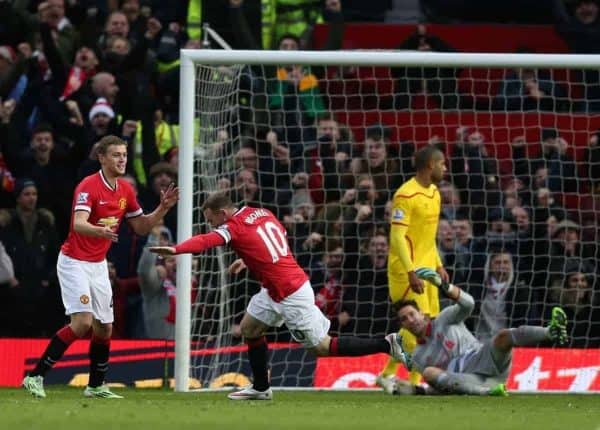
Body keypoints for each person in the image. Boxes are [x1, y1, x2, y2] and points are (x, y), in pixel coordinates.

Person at [149, 192, 409, 401]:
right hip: (273, 288)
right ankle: (261, 388)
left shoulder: (233, 227)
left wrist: (176, 249)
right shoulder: (259, 212)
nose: (211, 225)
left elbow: (206, 241)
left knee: (323, 347)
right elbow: (279, 234)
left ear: (222, 213)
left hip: (291, 293)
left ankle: (387, 344)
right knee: (250, 328)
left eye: (211, 220)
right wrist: (246, 258)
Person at [22, 135, 179, 399]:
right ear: (102, 157)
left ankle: (95, 386)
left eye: (125, 155)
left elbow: (140, 226)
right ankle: (35, 376)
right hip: (74, 263)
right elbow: (78, 223)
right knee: (82, 322)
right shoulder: (88, 186)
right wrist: (98, 230)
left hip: (97, 265)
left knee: (104, 327)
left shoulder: (125, 191)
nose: (122, 160)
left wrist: (162, 208)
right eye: (116, 155)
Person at [392, 268, 568, 396]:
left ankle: (551, 332)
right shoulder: (417, 356)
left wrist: (443, 285)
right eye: (404, 319)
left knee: (503, 336)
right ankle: (488, 392)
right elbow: (441, 385)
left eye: (412, 314)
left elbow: (469, 304)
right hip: (469, 380)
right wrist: (418, 391)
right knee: (429, 373)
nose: (410, 320)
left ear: (422, 314)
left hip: (483, 357)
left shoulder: (444, 318)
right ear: (403, 326)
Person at [376, 145, 449, 394]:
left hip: (428, 268)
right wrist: (410, 270)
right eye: (442, 163)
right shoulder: (405, 195)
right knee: (415, 326)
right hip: (406, 270)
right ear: (431, 165)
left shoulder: (435, 193)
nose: (445, 168)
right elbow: (397, 237)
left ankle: (403, 379)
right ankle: (400, 378)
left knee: (428, 325)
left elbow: (427, 237)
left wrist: (438, 263)